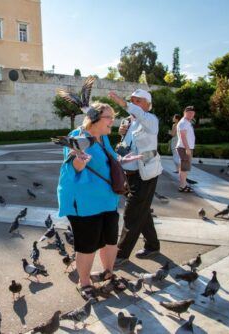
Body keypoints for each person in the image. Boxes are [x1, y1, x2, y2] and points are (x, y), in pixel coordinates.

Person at [57, 102, 142, 301]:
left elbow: (108, 161)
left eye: (113, 117)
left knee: (110, 240)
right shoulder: (77, 136)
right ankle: (84, 282)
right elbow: (72, 168)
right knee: (87, 244)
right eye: (109, 117)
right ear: (94, 118)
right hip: (85, 202)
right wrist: (80, 161)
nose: (113, 121)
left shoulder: (103, 138)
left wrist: (122, 160)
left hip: (108, 199)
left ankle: (108, 273)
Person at [108, 89, 163, 265]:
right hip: (128, 174)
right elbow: (125, 146)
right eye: (131, 100)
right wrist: (122, 133)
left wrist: (124, 104)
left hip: (145, 174)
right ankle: (152, 246)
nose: (134, 103)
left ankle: (121, 254)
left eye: (138, 101)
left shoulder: (151, 120)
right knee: (142, 211)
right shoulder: (128, 122)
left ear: (147, 104)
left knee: (131, 214)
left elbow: (141, 118)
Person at [176, 106, 196, 192]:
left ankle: (183, 185)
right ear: (185, 112)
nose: (191, 114)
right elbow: (183, 136)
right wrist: (187, 149)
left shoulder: (187, 122)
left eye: (193, 113)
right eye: (189, 112)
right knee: (184, 168)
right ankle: (182, 186)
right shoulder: (183, 122)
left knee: (183, 168)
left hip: (185, 148)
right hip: (184, 148)